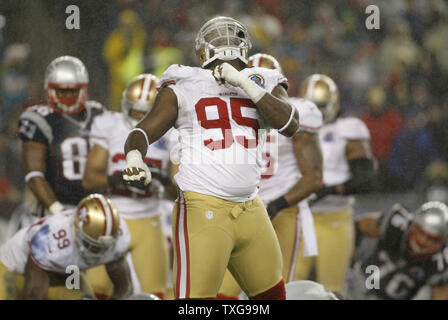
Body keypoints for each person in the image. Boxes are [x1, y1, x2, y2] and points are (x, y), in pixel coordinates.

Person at [122, 16, 300, 300]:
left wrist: (243, 82)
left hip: (251, 209)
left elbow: (290, 124)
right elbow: (143, 131)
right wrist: (134, 158)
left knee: (272, 298)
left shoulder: (262, 78)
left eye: (229, 36)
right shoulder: (186, 81)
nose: (224, 42)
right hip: (202, 206)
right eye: (217, 38)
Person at [218, 53, 324, 299]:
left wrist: (277, 204)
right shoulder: (224, 109)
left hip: (282, 212)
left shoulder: (297, 114)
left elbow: (314, 177)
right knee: (221, 294)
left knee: (281, 292)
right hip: (239, 210)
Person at [82, 74, 172, 299]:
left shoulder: (172, 132)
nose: (140, 117)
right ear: (125, 106)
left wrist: (162, 178)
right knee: (95, 290)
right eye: (135, 112)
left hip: (150, 216)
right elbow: (89, 179)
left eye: (146, 113)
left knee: (156, 293)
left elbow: (179, 189)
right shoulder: (109, 124)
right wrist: (118, 179)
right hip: (112, 217)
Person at [296, 74, 375, 293]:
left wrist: (330, 189)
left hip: (334, 218)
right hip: (296, 217)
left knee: (331, 289)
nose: (317, 112)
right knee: (286, 285)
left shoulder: (347, 129)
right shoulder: (291, 127)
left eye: (321, 106)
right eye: (311, 106)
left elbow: (366, 178)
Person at [16, 56, 105, 224]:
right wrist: (58, 211)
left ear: (84, 89)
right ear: (49, 90)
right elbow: (34, 175)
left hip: (95, 208)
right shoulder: (39, 117)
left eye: (73, 91)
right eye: (61, 91)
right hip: (55, 209)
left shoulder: (98, 113)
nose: (68, 96)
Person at [0, 194, 132, 300]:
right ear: (76, 231)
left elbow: (123, 287)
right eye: (91, 245)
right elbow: (34, 295)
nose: (99, 252)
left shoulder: (119, 239)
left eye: (105, 247)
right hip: (14, 268)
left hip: (66, 273)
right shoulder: (50, 242)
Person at [350, 201, 448, 300]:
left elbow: (440, 295)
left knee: (427, 293)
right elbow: (357, 227)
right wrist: (349, 264)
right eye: (420, 233)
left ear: (442, 242)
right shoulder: (397, 224)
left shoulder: (442, 262)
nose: (422, 241)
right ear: (412, 226)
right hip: (361, 283)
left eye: (431, 239)